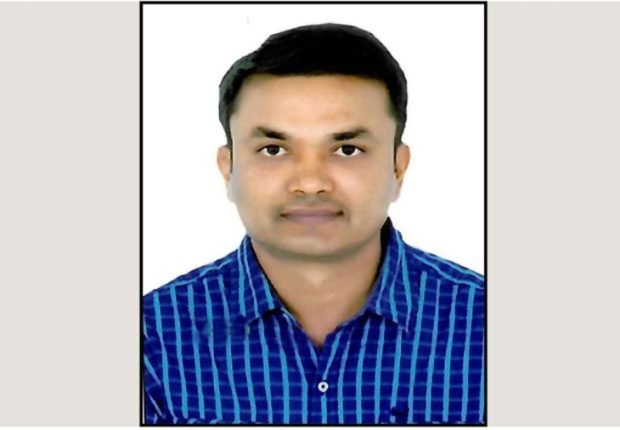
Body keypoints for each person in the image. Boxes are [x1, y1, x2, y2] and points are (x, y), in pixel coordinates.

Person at [143, 23, 484, 425]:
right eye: (273, 150)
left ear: (398, 168)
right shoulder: (150, 338)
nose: (309, 183)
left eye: (347, 149)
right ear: (228, 169)